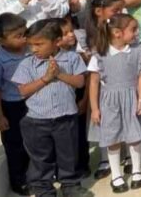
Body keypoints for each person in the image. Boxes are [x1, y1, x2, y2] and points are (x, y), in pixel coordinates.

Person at [12, 19, 90, 197]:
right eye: (31, 45)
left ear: (56, 41)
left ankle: (70, 185)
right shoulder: (27, 64)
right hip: (36, 121)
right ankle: (43, 188)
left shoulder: (71, 58)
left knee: (68, 154)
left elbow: (79, 82)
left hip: (66, 118)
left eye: (39, 44)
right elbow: (23, 91)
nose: (34, 49)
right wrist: (46, 78)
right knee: (40, 158)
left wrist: (59, 74)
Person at [88, 14, 141, 192]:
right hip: (109, 102)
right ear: (117, 33)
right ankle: (116, 175)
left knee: (134, 136)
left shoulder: (136, 51)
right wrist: (94, 109)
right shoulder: (99, 55)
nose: (136, 33)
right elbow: (94, 82)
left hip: (131, 98)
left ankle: (137, 169)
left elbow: (140, 75)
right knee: (113, 138)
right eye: (133, 29)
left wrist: (140, 99)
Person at [0, 13, 30, 196]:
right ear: (1, 40)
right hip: (12, 108)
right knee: (15, 145)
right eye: (18, 36)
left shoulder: (30, 51)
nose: (24, 38)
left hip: (33, 104)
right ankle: (19, 181)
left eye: (24, 33)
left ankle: (36, 175)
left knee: (34, 142)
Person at [54, 17, 92, 179]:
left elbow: (88, 78)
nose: (71, 35)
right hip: (59, 102)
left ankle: (82, 165)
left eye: (71, 31)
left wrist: (84, 101)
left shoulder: (80, 54)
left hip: (78, 98)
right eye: (65, 33)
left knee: (79, 135)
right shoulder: (50, 57)